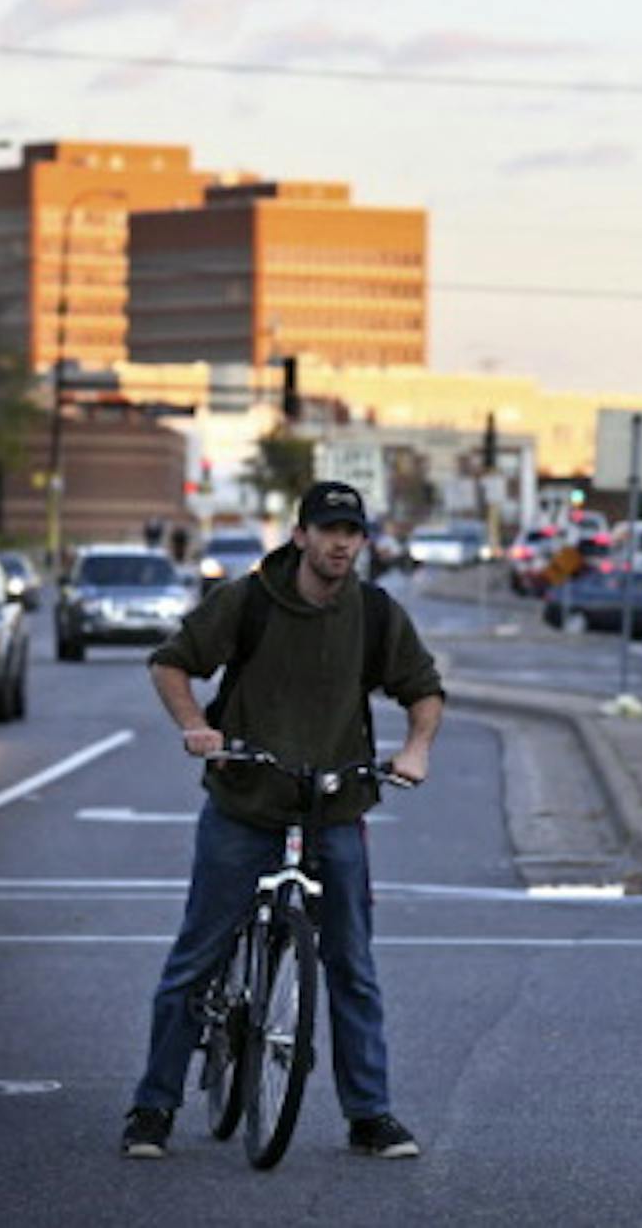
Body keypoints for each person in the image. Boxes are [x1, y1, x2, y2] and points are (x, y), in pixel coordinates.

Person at [122, 481, 446, 1161]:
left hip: (335, 806)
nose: (339, 544)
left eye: (351, 533)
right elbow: (171, 662)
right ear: (300, 536)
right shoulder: (248, 601)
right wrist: (196, 726)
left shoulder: (375, 613)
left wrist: (417, 748)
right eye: (327, 530)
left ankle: (370, 1115)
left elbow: (423, 689)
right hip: (246, 802)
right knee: (197, 955)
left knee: (351, 965)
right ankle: (153, 1107)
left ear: (363, 541)